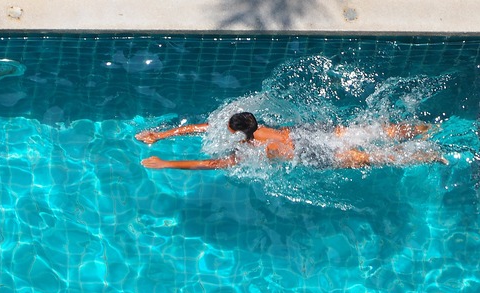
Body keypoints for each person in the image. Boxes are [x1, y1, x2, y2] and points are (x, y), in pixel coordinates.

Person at [137, 112, 447, 170]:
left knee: (372, 158)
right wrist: (162, 134)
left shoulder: (249, 151)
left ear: (234, 132)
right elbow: (205, 126)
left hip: (309, 155)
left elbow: (209, 163)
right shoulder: (265, 128)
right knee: (378, 130)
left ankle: (433, 155)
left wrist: (167, 161)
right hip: (307, 134)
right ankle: (428, 128)